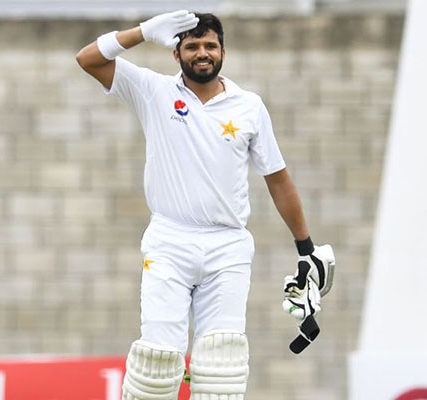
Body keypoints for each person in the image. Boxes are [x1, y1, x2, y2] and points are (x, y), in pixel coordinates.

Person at [75, 10, 335, 399]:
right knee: (157, 363)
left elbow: (278, 179)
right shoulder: (154, 90)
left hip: (227, 246)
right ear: (175, 54)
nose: (202, 53)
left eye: (210, 45)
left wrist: (306, 247)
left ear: (223, 52)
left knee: (221, 371)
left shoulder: (248, 106)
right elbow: (88, 59)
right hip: (169, 242)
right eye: (192, 45)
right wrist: (143, 31)